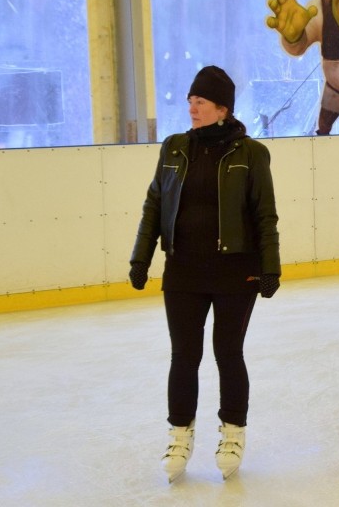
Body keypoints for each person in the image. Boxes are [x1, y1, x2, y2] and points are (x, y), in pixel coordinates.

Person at [128, 65, 281, 482]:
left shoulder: (251, 154)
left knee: (228, 354)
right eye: (191, 101)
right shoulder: (174, 148)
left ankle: (233, 431)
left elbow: (265, 216)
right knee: (184, 356)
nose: (192, 108)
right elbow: (154, 207)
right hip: (183, 271)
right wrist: (140, 257)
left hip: (236, 273)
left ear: (222, 109)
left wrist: (270, 267)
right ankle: (180, 433)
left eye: (201, 102)